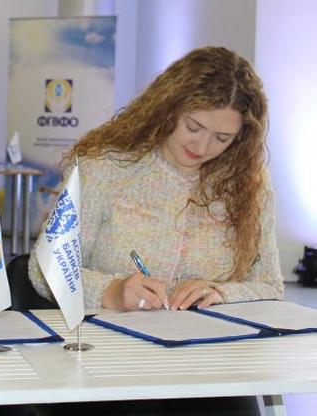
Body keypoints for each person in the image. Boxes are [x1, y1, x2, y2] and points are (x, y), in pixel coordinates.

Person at [28, 45, 282, 416]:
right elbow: (43, 270)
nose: (202, 146)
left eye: (222, 138)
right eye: (193, 127)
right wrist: (112, 291)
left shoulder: (249, 183)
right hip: (107, 357)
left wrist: (222, 292)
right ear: (168, 107)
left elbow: (270, 285)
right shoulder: (106, 166)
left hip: (211, 362)